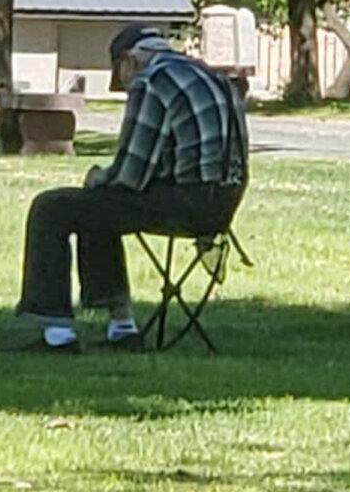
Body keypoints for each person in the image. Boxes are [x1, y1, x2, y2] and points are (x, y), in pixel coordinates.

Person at [14, 24, 249, 351]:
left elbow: (130, 172)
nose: (126, 88)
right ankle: (121, 329)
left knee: (52, 207)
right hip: (222, 203)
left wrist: (97, 177)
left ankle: (58, 332)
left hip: (185, 203)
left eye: (120, 78)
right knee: (99, 208)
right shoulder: (212, 77)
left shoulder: (153, 81)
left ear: (128, 61)